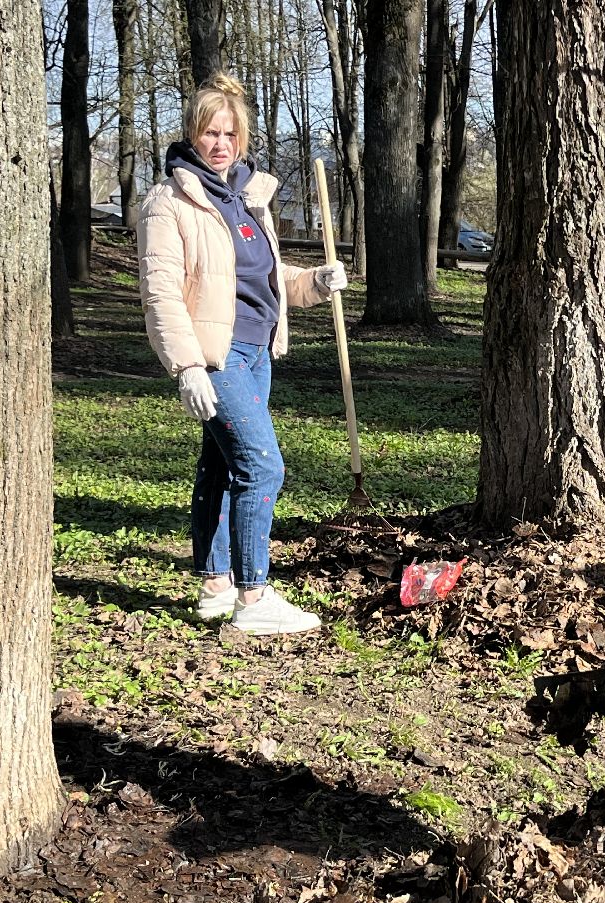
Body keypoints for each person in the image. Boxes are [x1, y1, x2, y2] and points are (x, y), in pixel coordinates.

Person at [137, 73, 347, 636]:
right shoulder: (170, 202)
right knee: (261, 465)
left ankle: (214, 585)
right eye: (210, 132)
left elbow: (266, 281)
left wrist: (317, 282)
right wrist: (185, 365)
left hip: (257, 349)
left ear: (243, 138)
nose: (220, 143)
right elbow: (161, 291)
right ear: (193, 136)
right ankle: (254, 597)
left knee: (221, 465)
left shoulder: (250, 199)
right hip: (216, 355)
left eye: (230, 133)